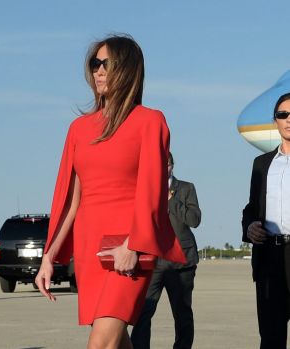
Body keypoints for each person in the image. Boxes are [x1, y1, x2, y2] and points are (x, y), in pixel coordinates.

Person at [34, 34, 186, 348]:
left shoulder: (150, 121)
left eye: (106, 64)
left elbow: (153, 190)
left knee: (100, 343)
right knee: (116, 342)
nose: (98, 71)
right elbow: (71, 200)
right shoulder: (79, 128)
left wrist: (134, 244)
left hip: (129, 246)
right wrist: (49, 256)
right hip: (91, 248)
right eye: (95, 64)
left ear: (127, 70)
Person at [131, 152, 202, 349]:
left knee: (182, 312)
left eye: (167, 164)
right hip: (152, 261)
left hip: (182, 261)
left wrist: (171, 198)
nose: (164, 168)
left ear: (173, 165)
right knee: (143, 311)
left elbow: (194, 220)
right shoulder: (143, 189)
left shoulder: (186, 188)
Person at [242, 92, 290, 349]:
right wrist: (249, 227)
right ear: (275, 121)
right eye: (283, 114)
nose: (289, 119)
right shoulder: (261, 163)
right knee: (271, 338)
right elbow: (251, 207)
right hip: (270, 256)